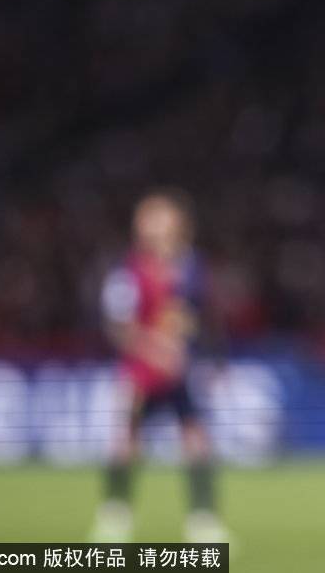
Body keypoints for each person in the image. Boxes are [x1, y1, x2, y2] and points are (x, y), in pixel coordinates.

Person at [90, 190, 227, 543]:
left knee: (196, 440)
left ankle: (203, 520)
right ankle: (114, 517)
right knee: (127, 442)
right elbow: (119, 327)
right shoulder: (129, 271)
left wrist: (208, 355)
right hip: (140, 372)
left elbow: (202, 317)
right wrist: (155, 349)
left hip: (178, 371)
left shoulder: (191, 267)